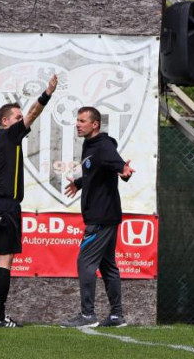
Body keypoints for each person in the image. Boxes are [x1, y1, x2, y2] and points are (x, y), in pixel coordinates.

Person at [0, 74, 59, 328]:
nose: (21, 121)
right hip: (7, 206)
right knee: (5, 260)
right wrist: (47, 93)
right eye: (16, 118)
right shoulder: (10, 136)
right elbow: (33, 112)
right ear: (5, 121)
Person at [61, 106, 135, 328]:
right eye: (77, 120)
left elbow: (117, 164)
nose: (78, 124)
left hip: (101, 218)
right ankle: (116, 316)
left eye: (82, 121)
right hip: (107, 216)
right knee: (108, 266)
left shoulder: (103, 145)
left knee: (85, 262)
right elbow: (96, 172)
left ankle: (87, 315)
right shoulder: (90, 145)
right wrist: (79, 183)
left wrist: (125, 170)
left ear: (95, 124)